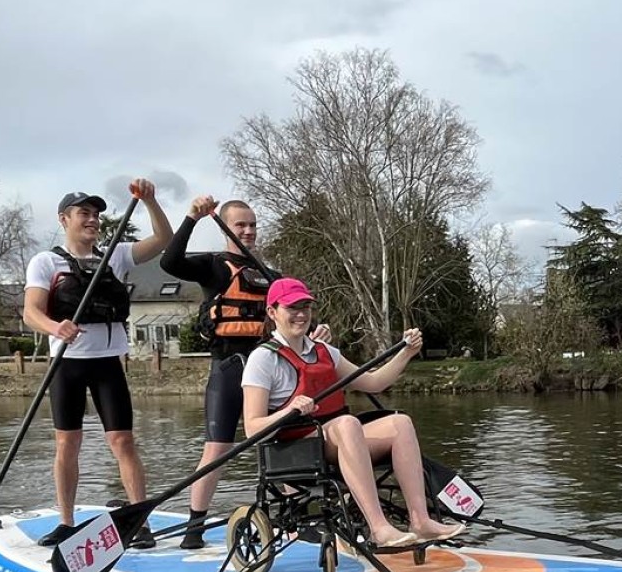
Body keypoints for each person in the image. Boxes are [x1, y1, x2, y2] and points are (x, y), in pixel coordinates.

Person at [241, 278, 465, 548]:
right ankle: (379, 528)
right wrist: (290, 410)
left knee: (400, 423)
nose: (301, 314)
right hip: (294, 448)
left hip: (334, 439)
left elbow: (375, 382)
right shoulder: (263, 359)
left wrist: (406, 353)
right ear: (272, 312)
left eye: (305, 307)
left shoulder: (325, 352)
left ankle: (420, 520)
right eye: (292, 308)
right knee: (347, 424)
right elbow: (252, 428)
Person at [160, 196, 329, 549]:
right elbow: (170, 262)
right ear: (227, 227)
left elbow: (291, 321)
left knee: (280, 441)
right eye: (241, 225)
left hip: (267, 370)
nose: (248, 231)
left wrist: (312, 335)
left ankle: (293, 520)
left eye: (253, 225)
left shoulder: (271, 277)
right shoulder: (213, 266)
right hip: (228, 369)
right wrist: (192, 217)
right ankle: (194, 527)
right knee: (218, 449)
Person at [23, 180, 172, 548]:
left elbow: (163, 239)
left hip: (108, 363)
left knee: (123, 441)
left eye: (96, 214)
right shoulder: (46, 262)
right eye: (84, 213)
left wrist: (150, 201)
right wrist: (55, 327)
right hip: (67, 364)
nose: (92, 220)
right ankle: (66, 522)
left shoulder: (116, 255)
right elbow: (30, 313)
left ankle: (139, 521)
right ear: (64, 219)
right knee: (67, 443)